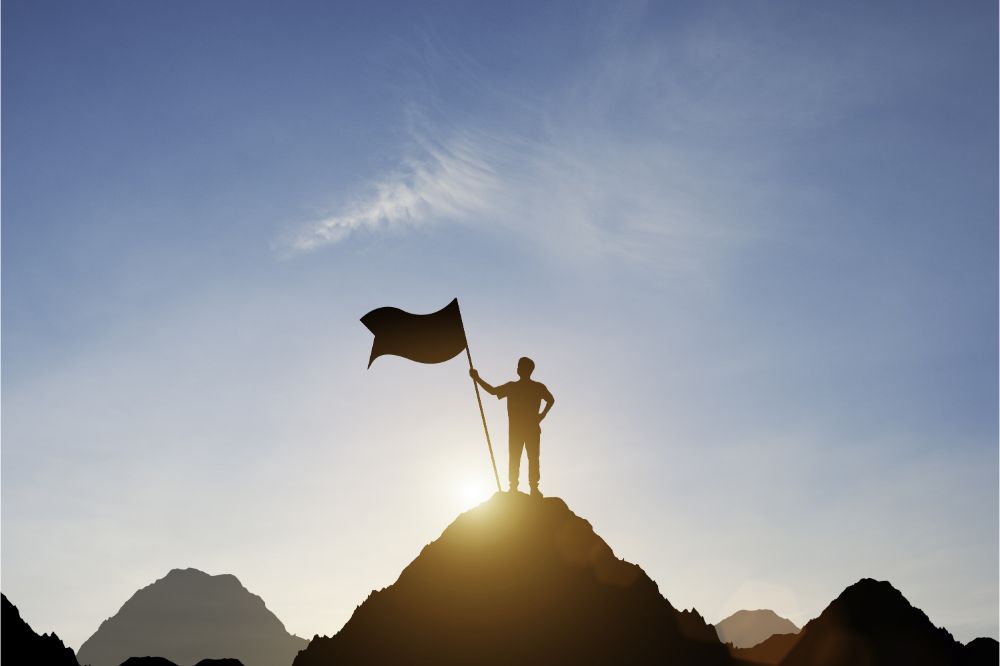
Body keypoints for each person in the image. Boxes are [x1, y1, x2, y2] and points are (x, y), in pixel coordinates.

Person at [470, 357, 554, 497]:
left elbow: (551, 400)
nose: (518, 369)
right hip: (521, 429)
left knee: (527, 457)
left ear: (522, 370)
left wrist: (542, 415)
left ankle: (528, 487)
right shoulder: (518, 387)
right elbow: (493, 391)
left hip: (526, 429)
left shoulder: (525, 387)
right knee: (523, 457)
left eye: (520, 367)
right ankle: (518, 487)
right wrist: (477, 378)